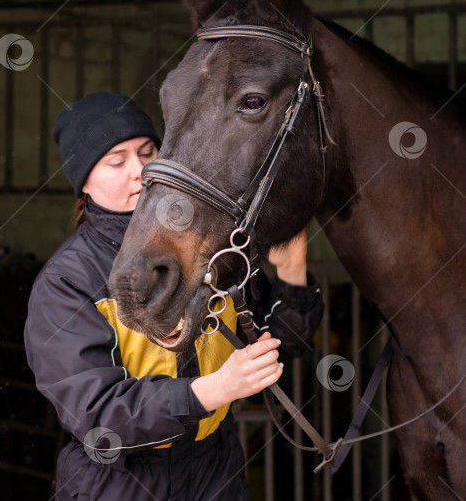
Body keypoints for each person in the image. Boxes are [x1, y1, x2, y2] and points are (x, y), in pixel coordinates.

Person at [24, 92, 324, 501]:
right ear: (84, 182)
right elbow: (98, 417)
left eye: (148, 151)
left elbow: (280, 347)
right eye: (117, 161)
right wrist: (214, 390)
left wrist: (292, 273)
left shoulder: (214, 245)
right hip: (120, 484)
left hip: (216, 471)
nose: (141, 170)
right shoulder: (67, 282)